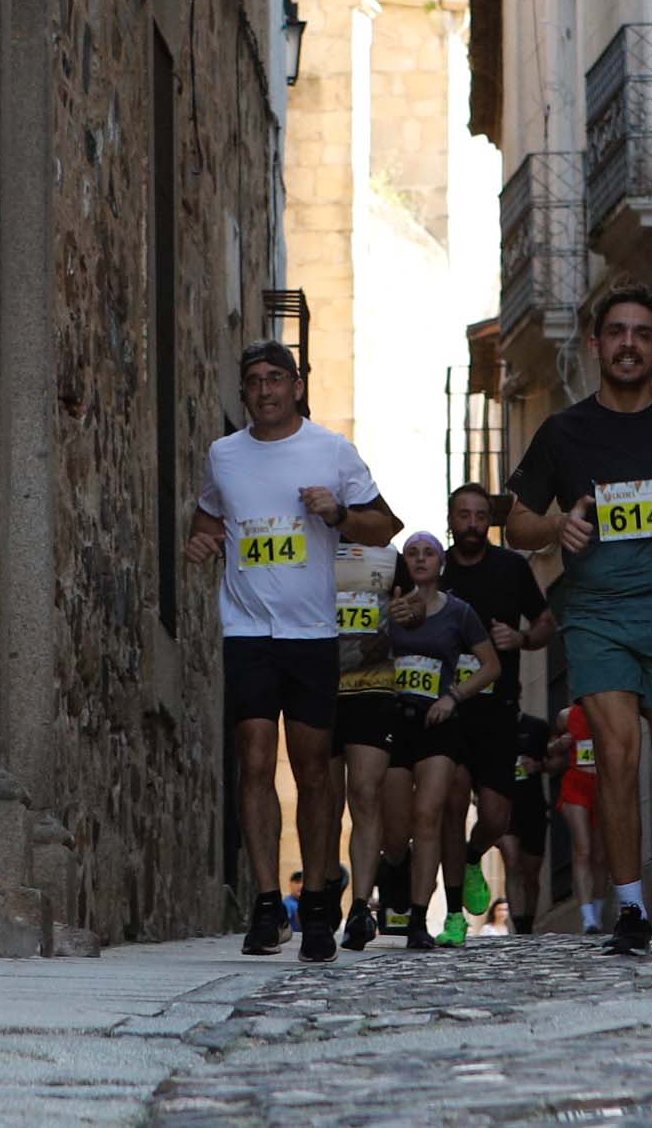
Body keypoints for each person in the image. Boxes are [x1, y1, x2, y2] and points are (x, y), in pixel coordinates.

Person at [505, 285, 652, 957]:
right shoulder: (564, 432)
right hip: (597, 614)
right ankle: (631, 909)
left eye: (641, 333)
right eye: (616, 332)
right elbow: (516, 521)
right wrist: (557, 525)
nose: (629, 343)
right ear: (596, 345)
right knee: (615, 753)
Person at [186, 340, 399, 962]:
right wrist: (201, 543)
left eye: (276, 379)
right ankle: (262, 903)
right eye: (253, 381)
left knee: (311, 771)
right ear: (243, 391)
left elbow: (383, 525)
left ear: (297, 385)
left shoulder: (331, 450)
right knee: (254, 758)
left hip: (311, 633)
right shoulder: (224, 456)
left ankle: (315, 903)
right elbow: (207, 519)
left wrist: (337, 513)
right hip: (248, 630)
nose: (265, 390)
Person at [437, 482, 557, 943]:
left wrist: (520, 639)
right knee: (451, 802)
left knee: (495, 816)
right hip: (447, 708)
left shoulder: (511, 568)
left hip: (499, 705)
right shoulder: (437, 569)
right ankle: (452, 916)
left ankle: (471, 857)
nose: (472, 523)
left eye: (480, 515)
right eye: (463, 515)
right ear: (451, 519)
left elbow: (547, 623)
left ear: (491, 520)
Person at [384, 531, 501, 949]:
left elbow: (490, 667)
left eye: (428, 553)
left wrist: (453, 698)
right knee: (396, 833)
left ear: (440, 563)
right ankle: (394, 871)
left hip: (439, 725)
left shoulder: (460, 613)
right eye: (412, 553)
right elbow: (366, 652)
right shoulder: (392, 606)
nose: (420, 559)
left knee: (428, 816)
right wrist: (387, 622)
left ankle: (418, 919)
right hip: (398, 723)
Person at [328, 535, 416, 951]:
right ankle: (325, 882)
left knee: (364, 793)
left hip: (374, 690)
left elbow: (418, 608)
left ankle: (360, 907)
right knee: (323, 802)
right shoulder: (312, 549)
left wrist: (407, 610)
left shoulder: (389, 558)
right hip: (319, 688)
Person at [549, 702, 603, 933]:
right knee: (583, 850)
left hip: (602, 786)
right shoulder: (566, 715)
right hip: (576, 784)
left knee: (601, 856)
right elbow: (550, 750)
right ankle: (587, 917)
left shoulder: (608, 709)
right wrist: (559, 744)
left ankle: (598, 914)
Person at [499, 711, 553, 934]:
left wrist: (539, 766)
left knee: (531, 872)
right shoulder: (492, 729)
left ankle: (528, 920)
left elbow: (558, 760)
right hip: (504, 806)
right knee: (512, 864)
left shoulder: (537, 726)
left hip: (533, 805)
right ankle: (518, 922)